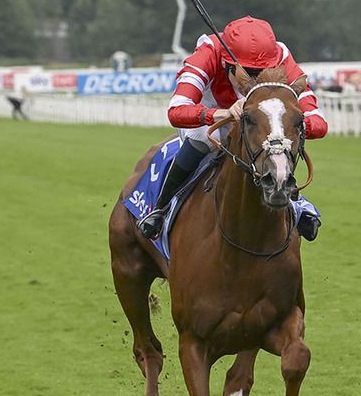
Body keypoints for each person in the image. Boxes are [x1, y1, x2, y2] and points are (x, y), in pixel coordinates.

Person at [138, 15, 328, 240]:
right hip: (210, 113)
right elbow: (177, 111)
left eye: (262, 72)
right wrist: (221, 114)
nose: (255, 81)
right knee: (206, 139)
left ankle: (295, 200)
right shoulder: (208, 52)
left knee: (276, 140)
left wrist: (285, 122)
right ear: (225, 64)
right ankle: (161, 207)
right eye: (249, 73)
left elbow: (319, 124)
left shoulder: (281, 56)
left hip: (257, 118)